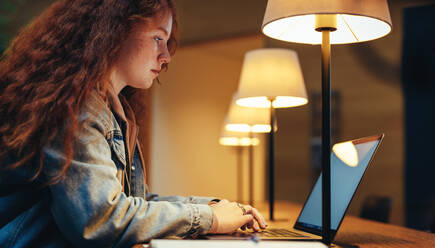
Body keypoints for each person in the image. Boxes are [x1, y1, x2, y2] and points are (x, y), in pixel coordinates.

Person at [0, 0, 267, 247]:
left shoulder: (113, 110)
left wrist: (212, 207)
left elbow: (133, 202)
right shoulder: (77, 106)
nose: (166, 56)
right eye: (157, 38)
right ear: (114, 31)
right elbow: (100, 220)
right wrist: (209, 217)